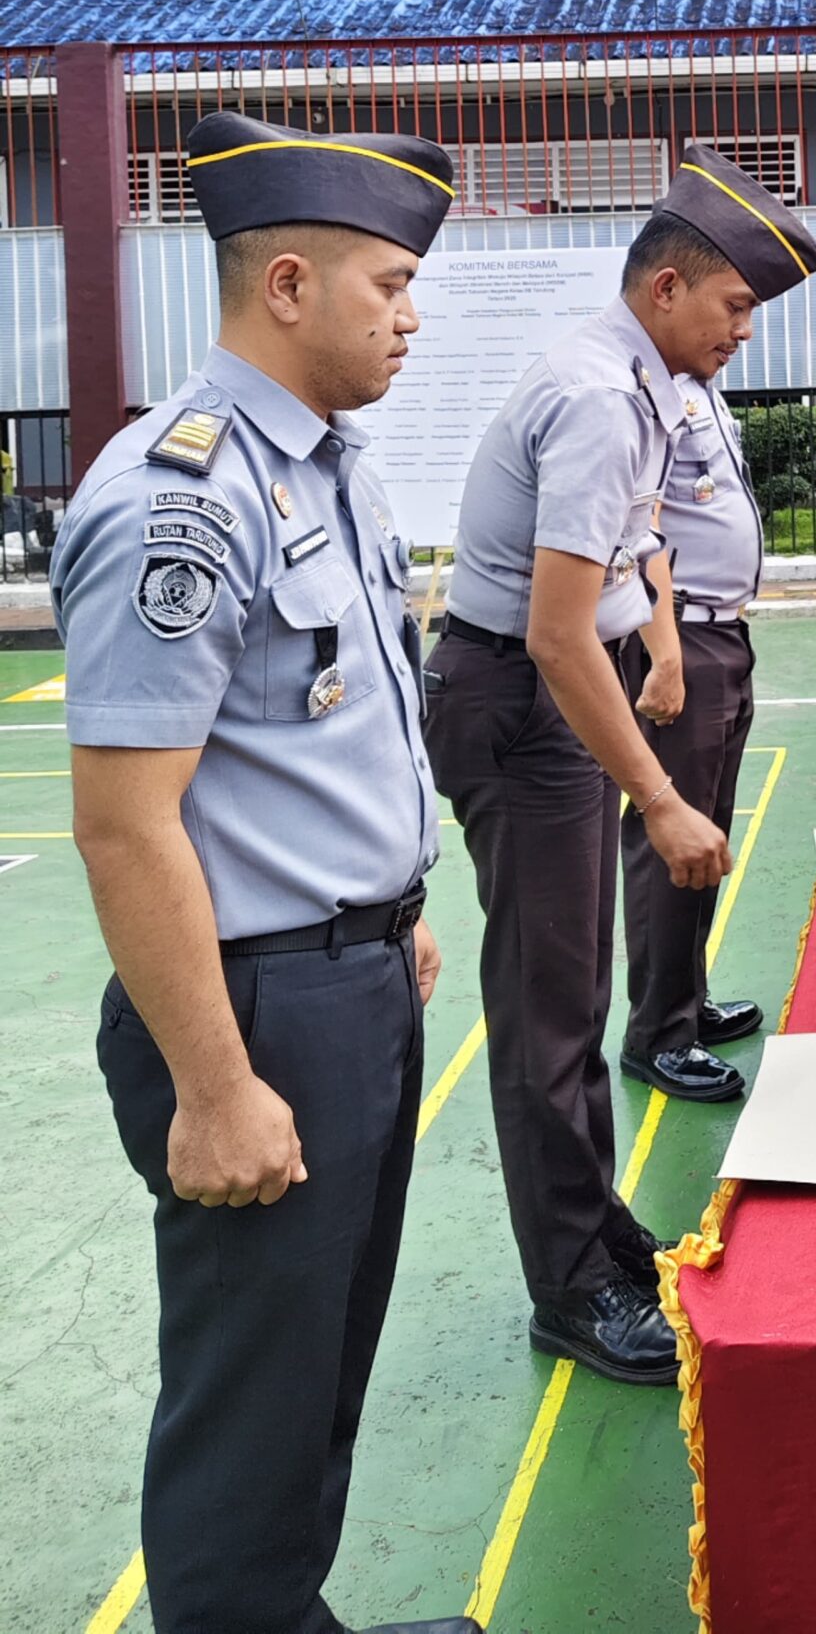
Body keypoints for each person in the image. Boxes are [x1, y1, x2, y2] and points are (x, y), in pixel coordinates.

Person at [53, 110, 474, 1634]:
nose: (411, 317)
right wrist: (218, 1087)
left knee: (321, 1373)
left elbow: (324, 733)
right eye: (386, 287)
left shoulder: (331, 465)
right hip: (251, 1016)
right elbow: (124, 822)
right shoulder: (184, 495)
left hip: (349, 981)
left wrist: (391, 911)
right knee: (251, 1409)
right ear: (285, 282)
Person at [428, 142, 816, 1385]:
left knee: (579, 991)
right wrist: (659, 797)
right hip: (522, 695)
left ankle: (596, 1231)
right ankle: (571, 1287)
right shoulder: (603, 396)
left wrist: (653, 649)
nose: (742, 331)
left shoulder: (637, 385)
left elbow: (622, 570)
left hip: (554, 693)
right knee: (550, 1008)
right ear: (666, 288)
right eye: (734, 305)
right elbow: (553, 626)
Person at [616, 342, 770, 1104]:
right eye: (731, 307)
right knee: (669, 843)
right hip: (685, 640)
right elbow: (639, 534)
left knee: (706, 833)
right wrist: (666, 657)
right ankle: (657, 1035)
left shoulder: (700, 392)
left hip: (723, 635)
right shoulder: (648, 394)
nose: (740, 329)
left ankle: (688, 999)